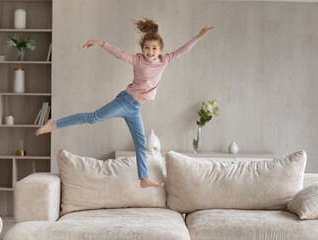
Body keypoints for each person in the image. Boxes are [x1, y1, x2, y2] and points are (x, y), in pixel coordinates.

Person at [35, 18, 213, 188]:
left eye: (154, 48)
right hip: (125, 101)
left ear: (160, 50)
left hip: (135, 108)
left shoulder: (163, 60)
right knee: (93, 117)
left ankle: (143, 178)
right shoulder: (137, 60)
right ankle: (54, 123)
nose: (150, 52)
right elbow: (119, 53)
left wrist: (198, 36)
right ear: (142, 49)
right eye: (147, 48)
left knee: (140, 142)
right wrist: (101, 43)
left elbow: (182, 50)